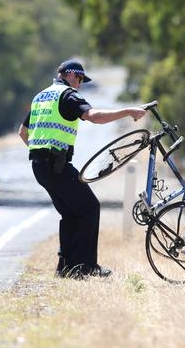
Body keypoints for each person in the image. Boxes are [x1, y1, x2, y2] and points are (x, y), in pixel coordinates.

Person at [18, 58, 146, 279]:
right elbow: (93, 117)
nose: (80, 85)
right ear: (69, 74)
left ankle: (66, 267)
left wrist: (41, 152)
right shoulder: (67, 95)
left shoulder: (41, 96)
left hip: (40, 167)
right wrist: (127, 111)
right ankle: (86, 267)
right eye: (79, 79)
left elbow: (22, 132)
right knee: (89, 208)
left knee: (70, 213)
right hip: (56, 165)